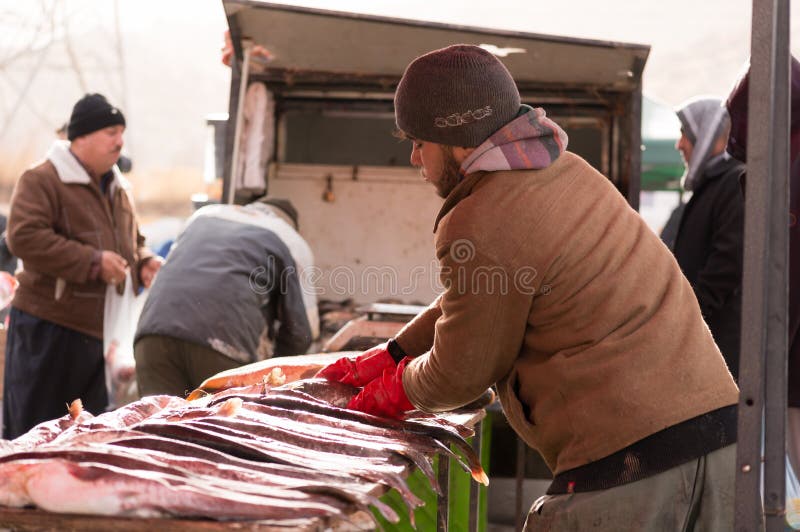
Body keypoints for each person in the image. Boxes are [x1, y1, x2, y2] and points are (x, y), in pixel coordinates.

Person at [319, 45, 740, 530]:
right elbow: (488, 290)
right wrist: (394, 351)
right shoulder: (565, 171)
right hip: (719, 441)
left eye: (419, 140)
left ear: (456, 138)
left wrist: (393, 391)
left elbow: (461, 373)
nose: (414, 156)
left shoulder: (479, 217)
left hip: (631, 467)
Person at [2, 93, 159, 439]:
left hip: (98, 335)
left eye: (122, 132)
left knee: (84, 433)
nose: (120, 141)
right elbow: (23, 237)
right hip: (49, 329)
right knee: (35, 431)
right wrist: (92, 262)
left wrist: (144, 262)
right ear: (81, 137)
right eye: (111, 132)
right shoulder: (43, 180)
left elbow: (133, 239)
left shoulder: (119, 187)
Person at [133, 197, 319, 398]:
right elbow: (301, 333)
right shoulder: (290, 238)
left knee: (156, 423)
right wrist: (273, 376)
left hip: (152, 336)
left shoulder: (204, 215)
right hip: (223, 345)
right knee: (222, 426)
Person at [727, 56, 800, 474]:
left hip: (789, 377)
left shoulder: (789, 172)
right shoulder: (781, 166)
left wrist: (761, 374)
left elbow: (784, 281)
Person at [663, 97, 745, 381]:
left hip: (719, 349)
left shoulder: (734, 183)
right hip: (703, 342)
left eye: (686, 134)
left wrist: (684, 318)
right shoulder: (710, 186)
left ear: (709, 136)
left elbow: (727, 266)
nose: (679, 144)